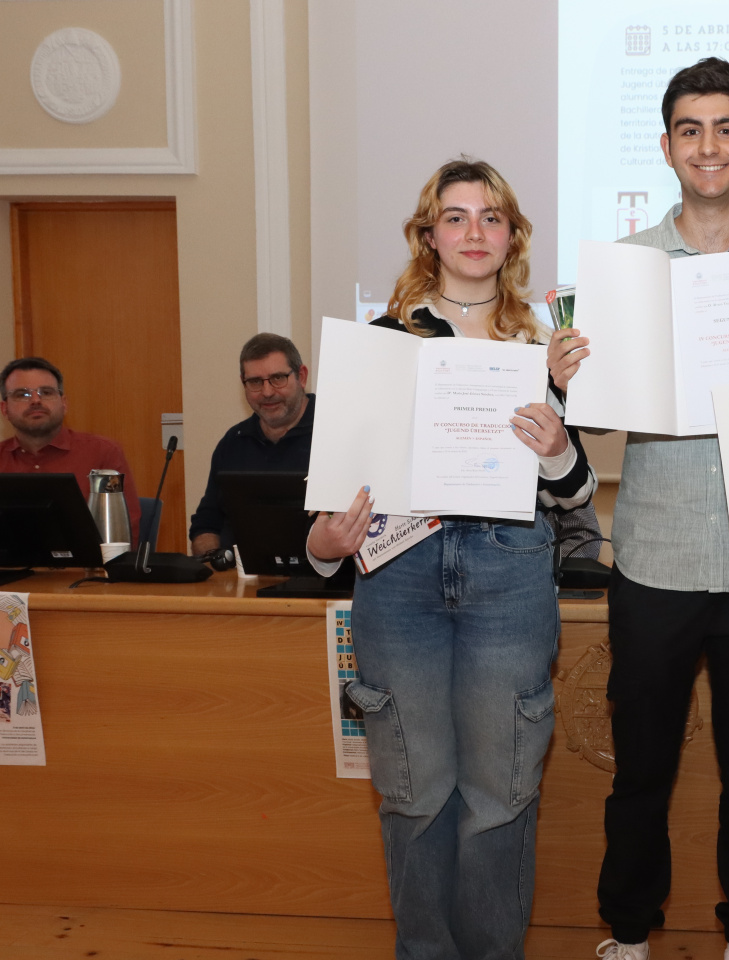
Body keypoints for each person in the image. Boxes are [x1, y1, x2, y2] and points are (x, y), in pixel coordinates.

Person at [547, 58, 729, 960]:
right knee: (641, 771)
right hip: (654, 559)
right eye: (691, 130)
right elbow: (595, 420)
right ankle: (630, 931)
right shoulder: (625, 267)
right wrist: (569, 380)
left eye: (727, 129)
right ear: (667, 146)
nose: (710, 146)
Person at [306, 158, 595, 960]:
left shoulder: (543, 349)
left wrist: (556, 441)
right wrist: (324, 545)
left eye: (491, 217)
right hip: (398, 581)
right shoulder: (382, 343)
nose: (475, 232)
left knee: (501, 793)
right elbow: (328, 506)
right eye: (457, 217)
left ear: (512, 237)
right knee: (413, 792)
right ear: (428, 235)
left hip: (510, 572)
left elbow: (576, 493)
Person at [0, 357, 141, 541]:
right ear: (4, 409)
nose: (35, 400)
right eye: (22, 394)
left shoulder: (102, 454)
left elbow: (122, 534)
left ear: (64, 403)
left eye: (46, 392)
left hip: (85, 560)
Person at [188, 333, 316, 556]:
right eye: (255, 382)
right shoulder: (233, 443)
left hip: (320, 575)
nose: (267, 392)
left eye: (278, 378)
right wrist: (215, 560)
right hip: (238, 576)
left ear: (301, 377)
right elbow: (206, 525)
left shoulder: (334, 435)